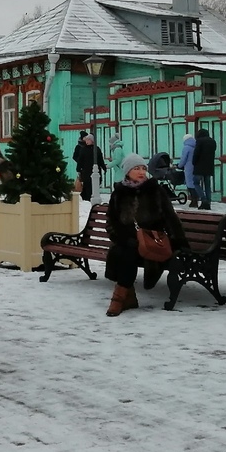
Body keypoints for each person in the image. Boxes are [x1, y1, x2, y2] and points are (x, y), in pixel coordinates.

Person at [103, 153, 188, 317]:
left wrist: (180, 244)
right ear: (127, 172)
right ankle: (127, 297)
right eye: (136, 168)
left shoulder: (155, 191)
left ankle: (118, 300)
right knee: (123, 251)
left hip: (152, 244)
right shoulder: (119, 194)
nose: (141, 171)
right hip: (127, 243)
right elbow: (111, 223)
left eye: (143, 168)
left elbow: (171, 219)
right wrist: (123, 239)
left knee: (126, 253)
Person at [72, 132, 107, 203]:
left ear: (92, 141)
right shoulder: (83, 149)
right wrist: (78, 169)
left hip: (95, 171)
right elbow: (80, 160)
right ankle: (87, 198)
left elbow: (100, 159)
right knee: (87, 185)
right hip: (86, 172)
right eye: (86, 140)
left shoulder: (96, 149)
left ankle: (91, 197)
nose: (86, 141)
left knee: (95, 184)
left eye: (88, 140)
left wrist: (104, 167)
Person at [191, 128, 217, 210]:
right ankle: (208, 202)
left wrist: (194, 162)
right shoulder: (213, 142)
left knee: (196, 183)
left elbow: (196, 153)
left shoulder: (199, 141)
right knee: (207, 185)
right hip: (209, 167)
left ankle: (203, 199)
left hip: (199, 166)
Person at [178, 132, 198, 207]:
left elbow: (183, 159)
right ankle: (195, 199)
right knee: (194, 183)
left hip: (188, 167)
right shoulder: (195, 146)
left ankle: (194, 200)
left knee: (189, 183)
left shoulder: (186, 147)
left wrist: (179, 166)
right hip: (195, 167)